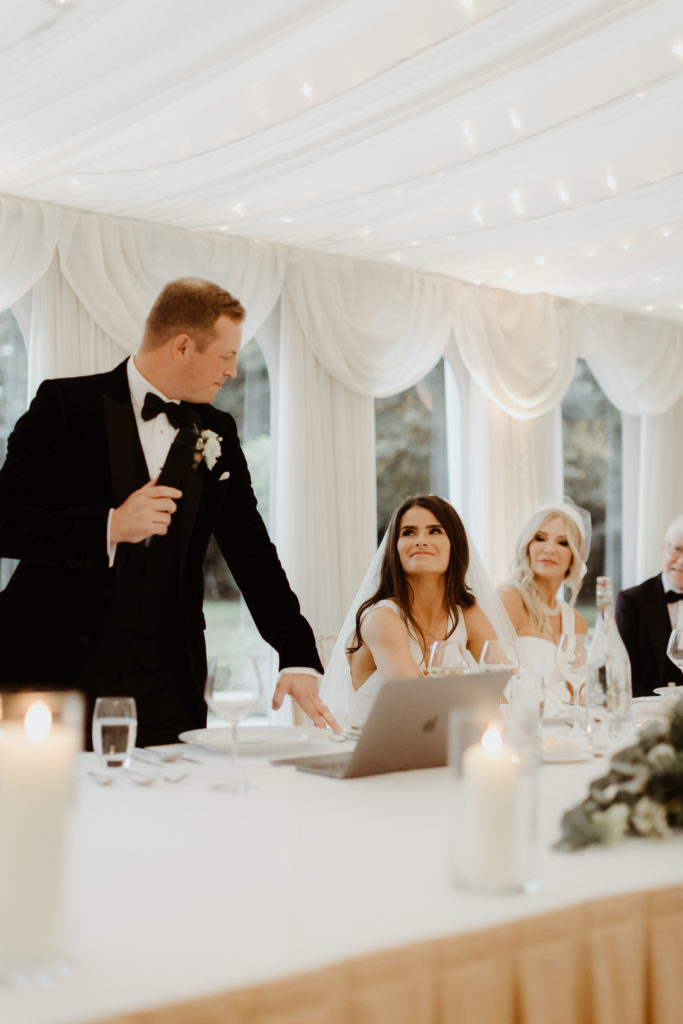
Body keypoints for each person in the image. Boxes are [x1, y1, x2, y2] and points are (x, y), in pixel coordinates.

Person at [0, 277, 338, 745]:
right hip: (57, 670)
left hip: (170, 682)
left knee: (173, 811)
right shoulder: (64, 406)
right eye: (225, 356)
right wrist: (111, 525)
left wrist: (296, 653)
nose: (233, 372)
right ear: (183, 346)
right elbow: (6, 521)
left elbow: (251, 548)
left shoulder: (218, 428)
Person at [320, 494, 513, 728]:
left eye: (435, 531)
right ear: (395, 548)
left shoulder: (468, 615)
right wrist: (473, 693)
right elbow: (417, 708)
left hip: (438, 743)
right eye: (408, 532)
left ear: (455, 544)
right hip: (369, 753)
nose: (420, 541)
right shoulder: (381, 619)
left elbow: (503, 695)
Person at [498, 500, 590, 712]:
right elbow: (492, 679)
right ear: (528, 545)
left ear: (574, 557)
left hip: (562, 727)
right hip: (519, 725)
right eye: (540, 538)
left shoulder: (576, 621)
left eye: (563, 543)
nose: (549, 549)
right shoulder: (509, 598)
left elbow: (580, 694)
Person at [615, 515, 683, 697]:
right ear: (664, 549)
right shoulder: (631, 601)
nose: (682, 561)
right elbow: (623, 674)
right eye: (677, 549)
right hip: (647, 715)